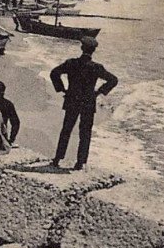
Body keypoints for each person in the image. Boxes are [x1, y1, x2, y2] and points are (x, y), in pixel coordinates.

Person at [50, 35, 118, 170]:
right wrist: (99, 92)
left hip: (72, 100)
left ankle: (58, 158)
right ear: (93, 51)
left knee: (66, 130)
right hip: (88, 102)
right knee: (85, 132)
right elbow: (113, 80)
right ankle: (80, 162)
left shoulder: (71, 63)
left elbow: (54, 73)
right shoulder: (97, 67)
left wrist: (62, 89)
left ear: (82, 48)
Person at [0, 81, 21, 146]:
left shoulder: (8, 105)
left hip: (0, 137)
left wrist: (11, 139)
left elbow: (15, 123)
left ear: (2, 93)